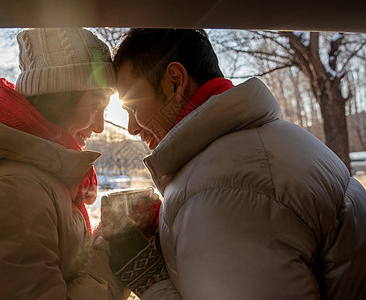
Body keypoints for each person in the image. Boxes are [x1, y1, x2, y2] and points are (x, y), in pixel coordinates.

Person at [105, 28, 366, 299]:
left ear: (175, 81)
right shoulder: (272, 141)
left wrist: (149, 281)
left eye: (133, 108)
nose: (131, 128)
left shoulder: (222, 189)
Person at [0, 28, 130, 299]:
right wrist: (117, 263)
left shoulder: (32, 175)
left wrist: (103, 241)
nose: (100, 126)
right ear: (60, 98)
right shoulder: (11, 192)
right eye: (95, 105)